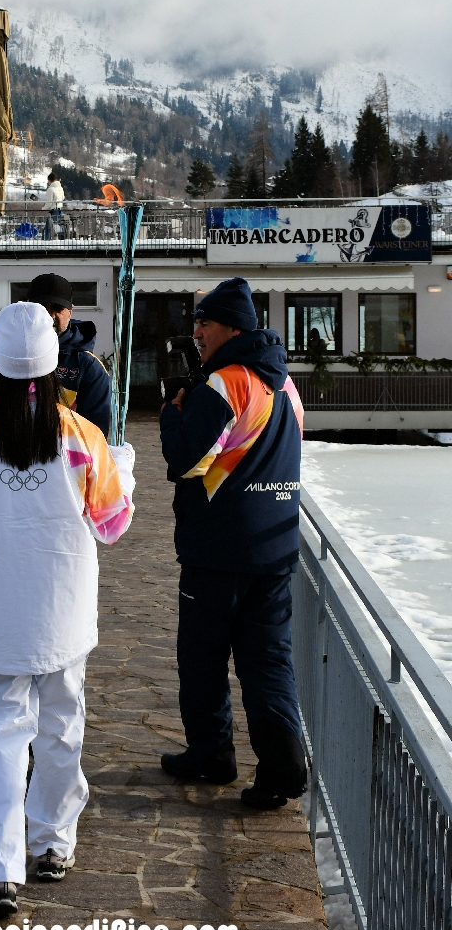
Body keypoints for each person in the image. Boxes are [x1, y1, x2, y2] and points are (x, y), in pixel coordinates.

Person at [0, 302, 135, 921]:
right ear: (51, 372)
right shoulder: (82, 437)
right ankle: (53, 843)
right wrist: (124, 474)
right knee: (62, 724)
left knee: (1, 735)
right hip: (62, 609)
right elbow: (113, 524)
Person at [158, 276, 307, 809]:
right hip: (275, 547)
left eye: (205, 322)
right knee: (267, 660)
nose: (195, 330)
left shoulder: (225, 384)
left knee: (202, 658)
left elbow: (186, 462)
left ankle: (212, 755)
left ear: (233, 328)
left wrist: (174, 415)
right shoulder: (285, 386)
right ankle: (281, 765)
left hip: (218, 550)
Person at [0, 272, 112, 436]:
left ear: (70, 311)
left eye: (58, 308)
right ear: (28, 307)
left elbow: (95, 437)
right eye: (42, 307)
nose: (50, 316)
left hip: (60, 460)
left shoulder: (87, 366)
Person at [42, 171, 65, 240]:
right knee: (62, 226)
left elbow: (49, 203)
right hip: (60, 210)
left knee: (48, 228)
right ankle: (63, 240)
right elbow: (63, 198)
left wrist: (43, 208)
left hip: (54, 211)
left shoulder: (50, 189)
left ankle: (44, 242)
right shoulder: (60, 188)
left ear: (49, 180)